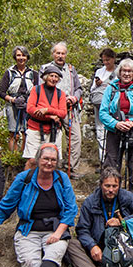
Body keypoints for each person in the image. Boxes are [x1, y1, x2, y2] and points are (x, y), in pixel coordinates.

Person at [99, 58, 133, 199]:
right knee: (110, 167)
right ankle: (108, 198)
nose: (126, 74)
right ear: (119, 72)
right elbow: (103, 113)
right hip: (114, 131)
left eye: (130, 71)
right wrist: (115, 124)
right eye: (124, 71)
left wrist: (132, 123)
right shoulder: (110, 89)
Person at [40, 42, 83, 178]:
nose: (60, 56)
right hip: (52, 109)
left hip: (70, 109)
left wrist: (74, 98)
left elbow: (78, 88)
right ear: (53, 54)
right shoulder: (45, 68)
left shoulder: (71, 69)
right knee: (53, 138)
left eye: (63, 53)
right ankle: (52, 169)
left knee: (75, 137)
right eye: (57, 53)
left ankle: (72, 168)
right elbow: (41, 89)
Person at [22, 65, 68, 170]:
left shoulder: (61, 94)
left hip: (53, 131)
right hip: (35, 129)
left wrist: (46, 110)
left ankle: (49, 185)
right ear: (45, 77)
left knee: (52, 162)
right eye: (51, 76)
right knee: (32, 161)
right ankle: (27, 184)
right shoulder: (36, 90)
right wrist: (51, 116)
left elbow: (63, 113)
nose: (54, 79)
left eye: (56, 77)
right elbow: (30, 109)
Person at [0, 45, 38, 153]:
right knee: (13, 133)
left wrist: (30, 103)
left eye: (23, 55)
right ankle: (13, 157)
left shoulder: (33, 74)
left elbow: (38, 91)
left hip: (28, 104)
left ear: (27, 57)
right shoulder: (9, 72)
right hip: (12, 104)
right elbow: (1, 92)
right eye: (18, 55)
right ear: (15, 57)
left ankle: (24, 156)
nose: (21, 58)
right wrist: (13, 100)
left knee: (27, 132)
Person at [89, 48, 117, 164]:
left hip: (112, 105)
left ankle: (112, 159)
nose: (106, 62)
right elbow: (92, 89)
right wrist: (97, 84)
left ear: (113, 59)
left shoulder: (118, 72)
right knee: (100, 130)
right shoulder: (99, 72)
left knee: (111, 130)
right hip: (99, 104)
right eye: (104, 60)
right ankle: (103, 160)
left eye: (108, 60)